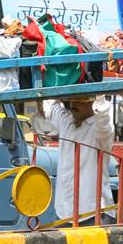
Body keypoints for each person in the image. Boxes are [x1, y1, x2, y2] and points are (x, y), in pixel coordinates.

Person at [42, 96, 114, 224]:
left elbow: (103, 120)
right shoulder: (66, 122)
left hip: (93, 213)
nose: (73, 104)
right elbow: (50, 106)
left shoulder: (100, 129)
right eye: (72, 100)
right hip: (64, 213)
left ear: (93, 104)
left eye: (80, 101)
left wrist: (99, 97)